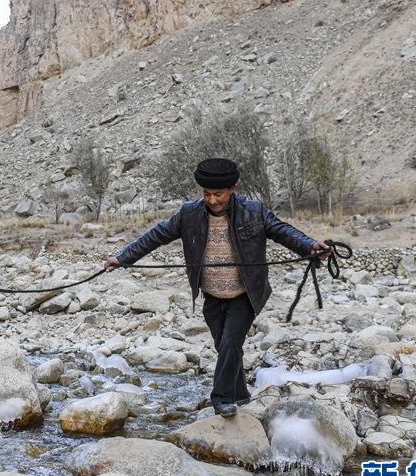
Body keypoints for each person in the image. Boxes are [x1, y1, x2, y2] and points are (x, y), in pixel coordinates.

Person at [104, 158, 330, 418]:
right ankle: (241, 393)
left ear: (232, 189)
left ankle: (221, 398)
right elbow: (156, 236)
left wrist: (310, 246)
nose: (212, 200)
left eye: (218, 194)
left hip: (245, 294)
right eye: (207, 194)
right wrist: (123, 258)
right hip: (211, 294)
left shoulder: (253, 211)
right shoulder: (189, 213)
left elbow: (283, 231)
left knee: (231, 343)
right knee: (224, 346)